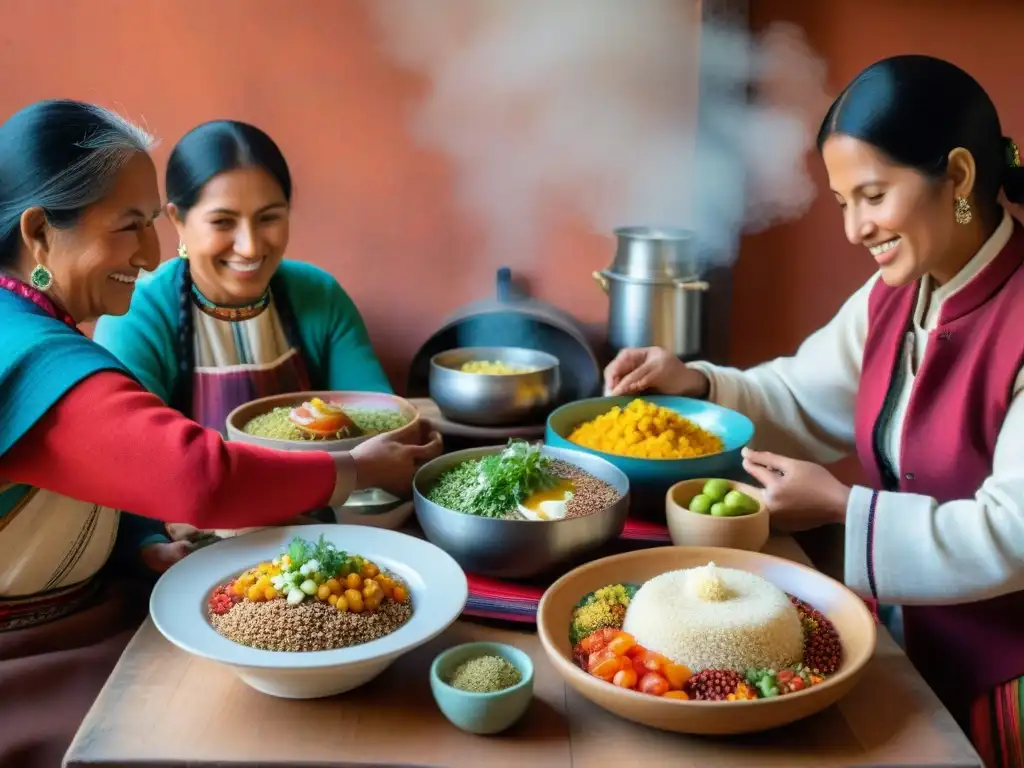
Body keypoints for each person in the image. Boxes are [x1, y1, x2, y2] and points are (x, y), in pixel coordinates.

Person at [604, 55, 1024, 767]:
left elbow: (1012, 533)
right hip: (910, 638)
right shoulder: (895, 293)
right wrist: (698, 385)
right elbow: (802, 395)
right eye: (842, 203)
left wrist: (841, 508)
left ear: (957, 176)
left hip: (1008, 675)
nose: (855, 229)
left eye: (872, 195)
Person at [0, 99, 441, 768]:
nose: (150, 255)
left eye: (149, 225)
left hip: (94, 612)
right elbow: (197, 476)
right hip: (37, 659)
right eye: (130, 227)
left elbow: (118, 471)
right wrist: (357, 469)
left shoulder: (31, 327)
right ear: (39, 233)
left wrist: (143, 544)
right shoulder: (33, 354)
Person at [93, 119, 396, 550]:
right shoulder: (139, 314)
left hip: (320, 531)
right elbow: (123, 462)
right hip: (197, 544)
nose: (251, 246)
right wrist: (150, 542)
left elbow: (380, 423)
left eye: (269, 218)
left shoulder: (318, 295)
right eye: (223, 221)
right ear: (177, 219)